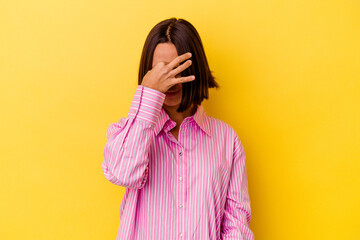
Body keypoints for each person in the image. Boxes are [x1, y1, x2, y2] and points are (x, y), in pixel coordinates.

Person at [102, 17, 254, 240]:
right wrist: (148, 95)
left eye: (178, 69)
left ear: (196, 69)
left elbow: (236, 224)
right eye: (162, 71)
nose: (171, 81)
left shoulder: (226, 139)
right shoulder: (128, 131)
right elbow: (122, 174)